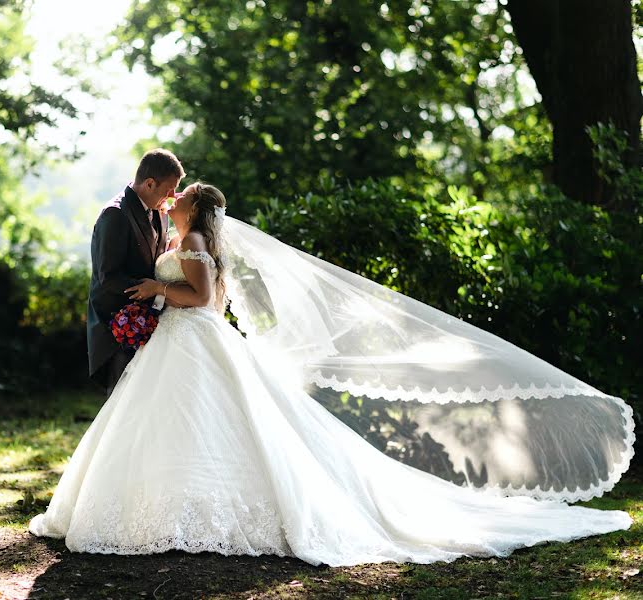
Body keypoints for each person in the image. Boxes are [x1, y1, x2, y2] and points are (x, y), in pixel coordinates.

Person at [31, 182, 634, 567]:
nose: (176, 199)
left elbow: (204, 296)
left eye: (182, 196)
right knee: (180, 423)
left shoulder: (189, 239)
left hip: (193, 340)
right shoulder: (188, 234)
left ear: (192, 207)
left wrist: (157, 290)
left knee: (205, 421)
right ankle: (166, 503)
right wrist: (160, 295)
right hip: (182, 343)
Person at [86, 149, 184, 396]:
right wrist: (153, 293)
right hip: (118, 325)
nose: (173, 197)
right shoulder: (115, 214)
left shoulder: (158, 210)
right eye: (169, 190)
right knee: (121, 399)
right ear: (150, 183)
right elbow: (108, 277)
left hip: (152, 321)